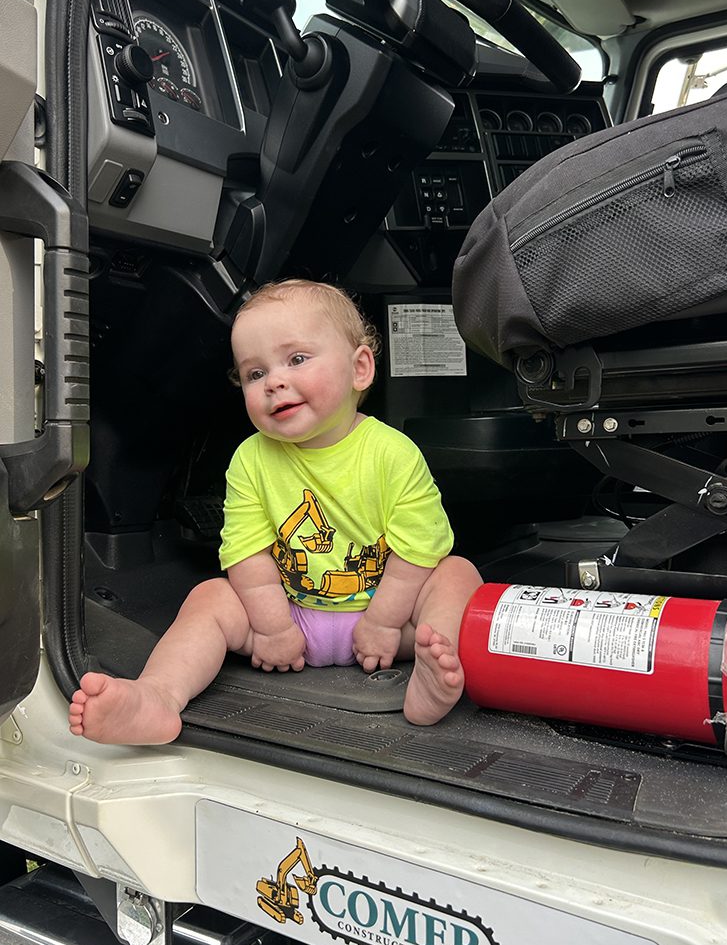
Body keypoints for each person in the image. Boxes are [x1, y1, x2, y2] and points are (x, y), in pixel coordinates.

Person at [68, 279, 483, 744]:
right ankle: (159, 696)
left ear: (359, 368)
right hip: (292, 616)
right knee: (210, 599)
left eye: (297, 359)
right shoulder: (251, 459)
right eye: (254, 374)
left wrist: (384, 622)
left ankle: (431, 680)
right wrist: (273, 628)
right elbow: (247, 552)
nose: (274, 382)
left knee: (456, 575)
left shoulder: (393, 454)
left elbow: (417, 550)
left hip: (392, 621)